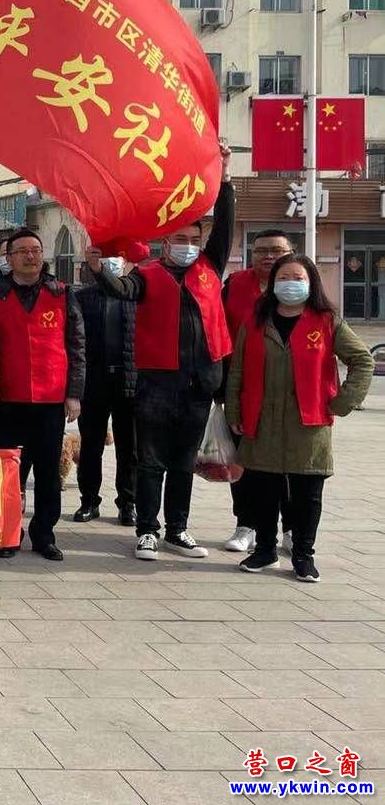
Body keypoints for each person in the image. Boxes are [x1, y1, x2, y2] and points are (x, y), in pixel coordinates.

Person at [94, 142, 234, 561]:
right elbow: (120, 289)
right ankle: (147, 530)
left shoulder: (209, 268)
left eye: (193, 239)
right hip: (156, 384)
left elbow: (225, 225)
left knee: (184, 461)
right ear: (165, 242)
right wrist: (100, 268)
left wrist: (225, 178)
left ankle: (177, 529)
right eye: (179, 239)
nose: (187, 245)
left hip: (200, 384)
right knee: (151, 461)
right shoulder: (147, 275)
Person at [225, 253, 373, 583]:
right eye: (284, 278)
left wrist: (343, 401)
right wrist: (233, 410)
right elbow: (237, 372)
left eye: (298, 278)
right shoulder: (255, 323)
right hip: (261, 420)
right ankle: (264, 550)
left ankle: (304, 555)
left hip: (309, 424)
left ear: (311, 283)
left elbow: (363, 360)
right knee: (263, 489)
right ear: (273, 283)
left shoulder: (327, 322)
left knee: (307, 492)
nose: (290, 284)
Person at [0, 229, 84, 562]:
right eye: (23, 251)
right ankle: (9, 533)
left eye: (36, 250)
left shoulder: (62, 293)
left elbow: (77, 345)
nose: (31, 256)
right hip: (7, 399)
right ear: (9, 257)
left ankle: (44, 535)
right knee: (9, 473)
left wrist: (74, 393)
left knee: (47, 472)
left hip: (50, 398)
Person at [220, 229, 295, 554]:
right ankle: (246, 524)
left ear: (290, 253)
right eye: (261, 250)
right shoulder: (235, 285)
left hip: (291, 394)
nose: (268, 256)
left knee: (290, 466)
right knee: (243, 461)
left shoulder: (302, 286)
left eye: (276, 250)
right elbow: (219, 331)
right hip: (244, 390)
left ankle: (291, 528)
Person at [73, 245, 137, 526]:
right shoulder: (82, 298)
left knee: (130, 448)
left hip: (129, 383)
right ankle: (89, 501)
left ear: (125, 263)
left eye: (116, 258)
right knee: (91, 446)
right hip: (93, 383)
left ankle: (128, 503)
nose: (110, 263)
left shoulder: (135, 297)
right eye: (104, 257)